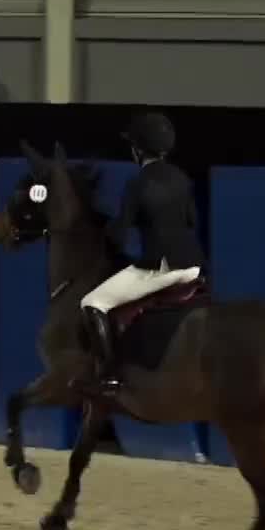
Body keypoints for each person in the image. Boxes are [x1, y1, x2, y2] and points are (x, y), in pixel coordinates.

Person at [78, 112, 205, 391]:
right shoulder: (182, 178)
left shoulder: (138, 182)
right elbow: (192, 221)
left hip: (164, 269)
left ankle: (109, 375)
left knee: (92, 303)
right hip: (194, 266)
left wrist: (104, 227)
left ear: (137, 149)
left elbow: (119, 234)